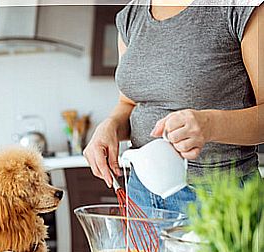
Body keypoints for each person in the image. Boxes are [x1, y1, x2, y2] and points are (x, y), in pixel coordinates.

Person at [83, 0, 263, 213]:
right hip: (141, 191)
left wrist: (211, 125)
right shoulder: (131, 15)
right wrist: (110, 126)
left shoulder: (241, 7)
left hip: (218, 195)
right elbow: (129, 102)